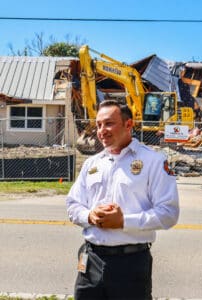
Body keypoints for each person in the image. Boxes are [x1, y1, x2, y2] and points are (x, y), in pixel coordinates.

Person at [66, 99, 179, 300]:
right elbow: (73, 205)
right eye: (99, 124)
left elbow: (168, 213)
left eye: (109, 123)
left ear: (129, 125)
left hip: (131, 264)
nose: (101, 130)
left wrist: (123, 221)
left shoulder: (153, 161)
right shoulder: (92, 163)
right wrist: (90, 216)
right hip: (91, 260)